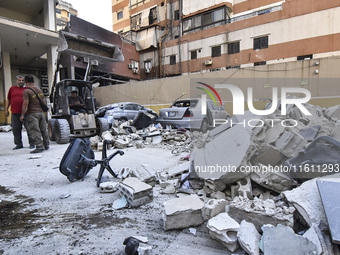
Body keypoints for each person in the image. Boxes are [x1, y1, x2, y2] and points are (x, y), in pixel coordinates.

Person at [20, 75, 49, 153]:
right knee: (43, 129)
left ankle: (39, 147)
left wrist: (22, 115)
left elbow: (25, 103)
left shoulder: (26, 91)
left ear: (26, 82)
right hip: (41, 113)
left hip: (32, 113)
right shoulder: (39, 90)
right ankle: (46, 144)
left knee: (35, 130)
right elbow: (43, 101)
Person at [5, 74, 35, 150]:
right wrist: (6, 109)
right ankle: (18, 144)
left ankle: (32, 143)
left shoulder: (28, 89)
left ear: (24, 81)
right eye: (19, 80)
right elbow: (8, 99)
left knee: (29, 128)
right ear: (16, 81)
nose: (21, 82)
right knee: (16, 129)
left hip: (27, 113)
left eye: (22, 80)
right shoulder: (12, 89)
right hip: (15, 113)